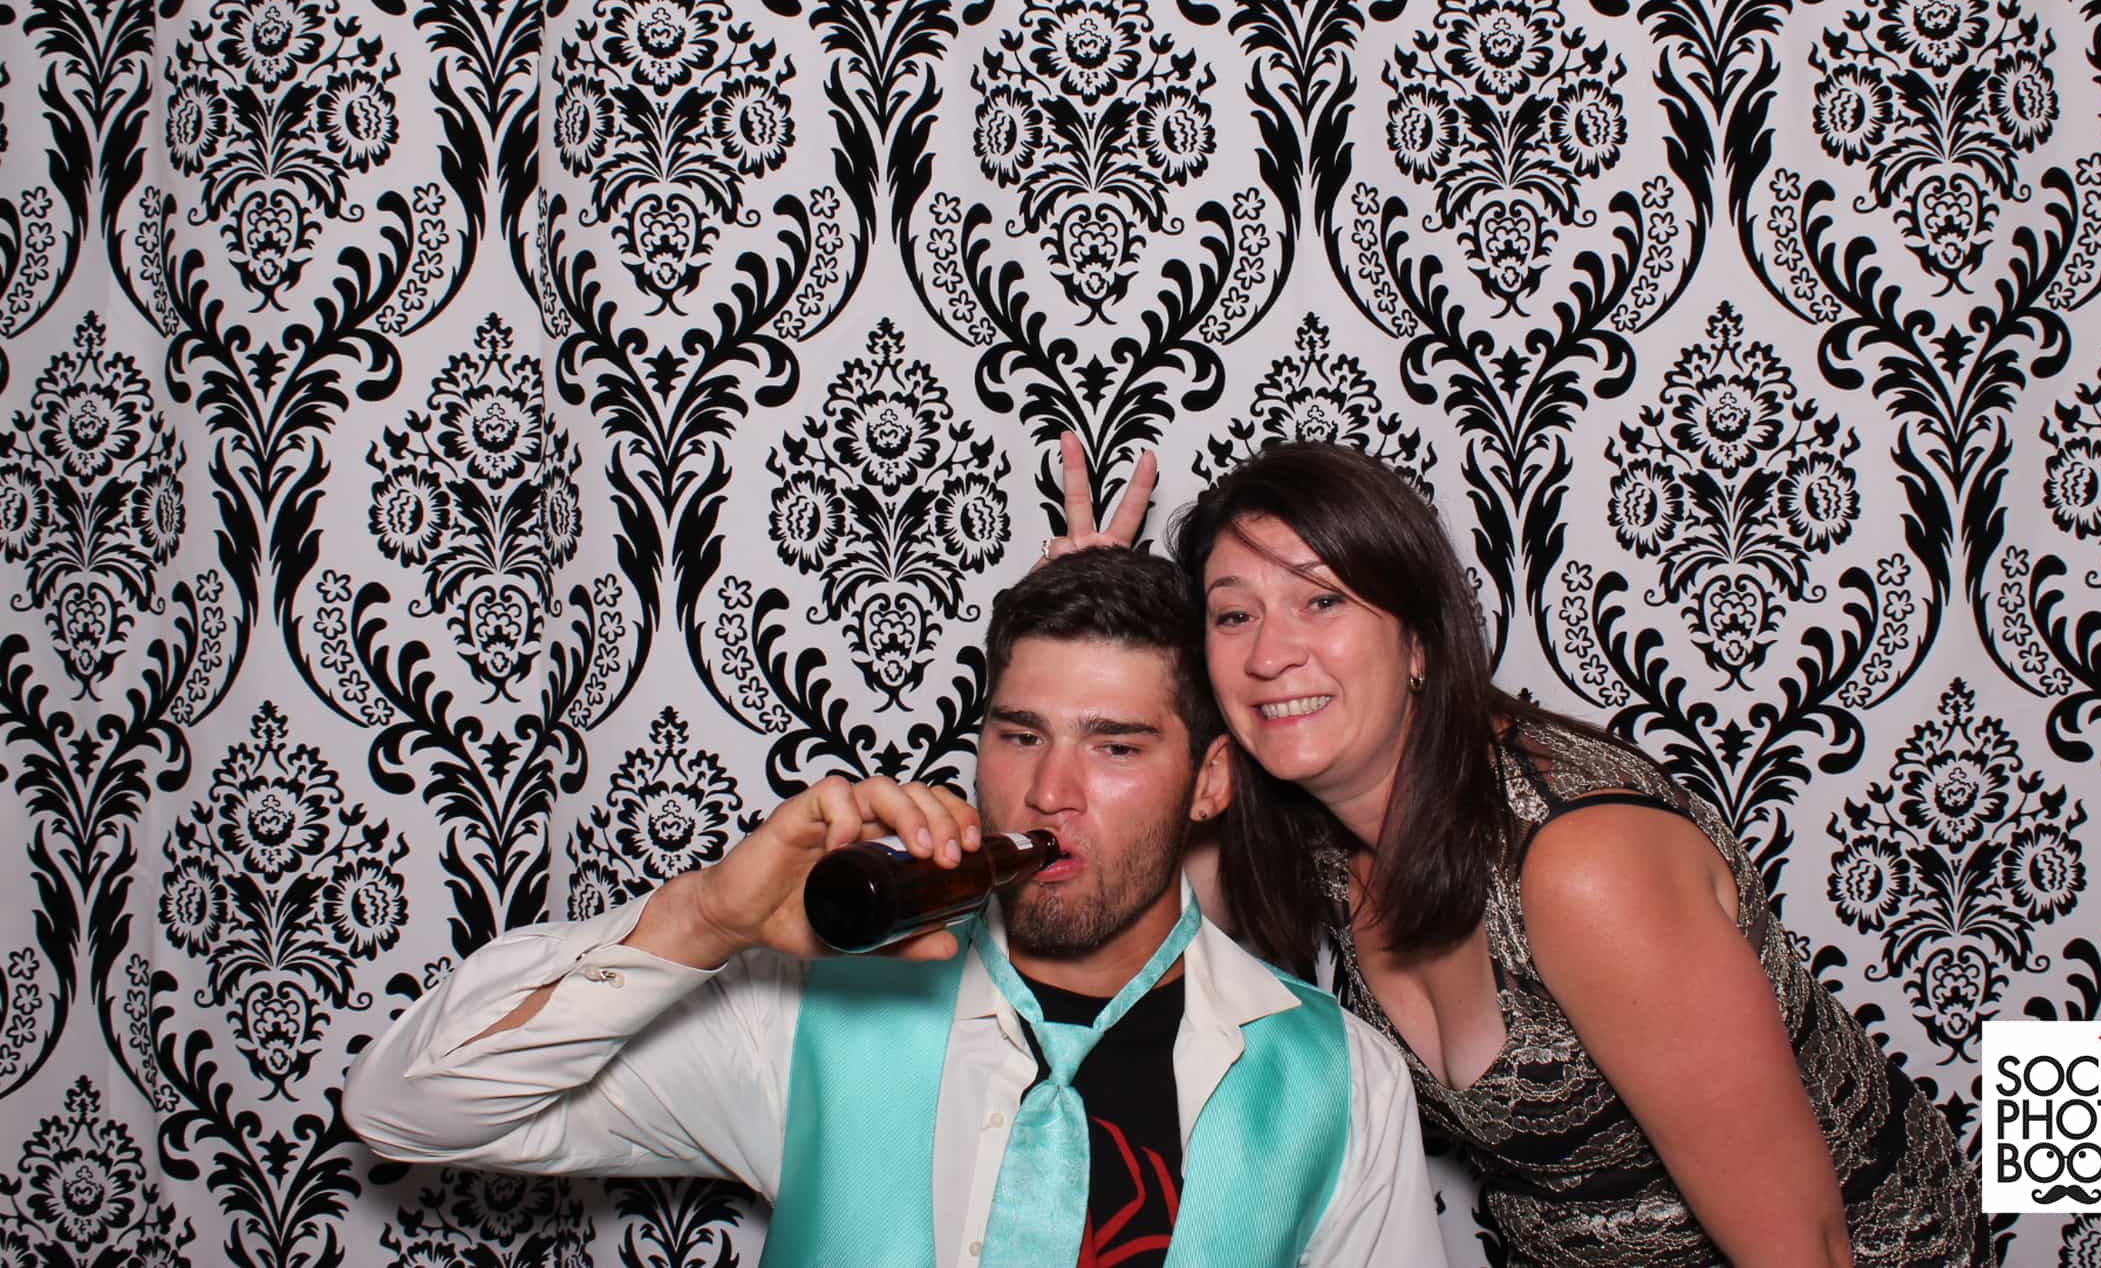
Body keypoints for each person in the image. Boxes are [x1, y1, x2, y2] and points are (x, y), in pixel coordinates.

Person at [344, 545, 1443, 1268]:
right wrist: (703, 919)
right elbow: (408, 1108)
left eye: (1115, 747)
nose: (1050, 793)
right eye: (1019, 735)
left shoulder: (1338, 1081)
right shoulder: (807, 1017)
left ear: (1208, 782)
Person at [1049, 435, 1988, 1268]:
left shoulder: (1582, 866)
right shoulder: (1312, 826)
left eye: (1322, 600)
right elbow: (1103, 911)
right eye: (1233, 615)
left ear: (1417, 640)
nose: (1270, 655)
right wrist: (1094, 645)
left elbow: (1804, 1252)